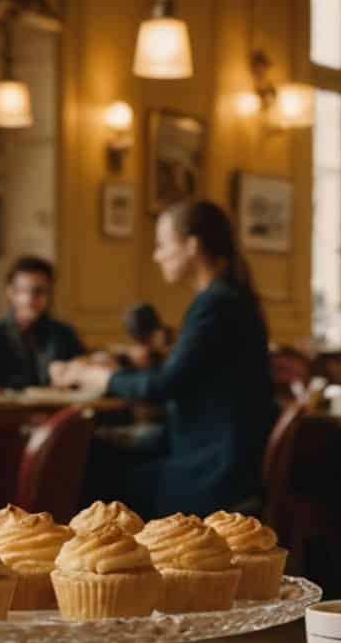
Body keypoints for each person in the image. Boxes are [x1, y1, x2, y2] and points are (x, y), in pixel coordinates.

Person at [51, 201, 274, 519]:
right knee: (96, 451)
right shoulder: (227, 297)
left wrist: (95, 377)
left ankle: (98, 562)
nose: (157, 256)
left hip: (212, 468)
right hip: (213, 451)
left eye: (162, 245)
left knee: (83, 466)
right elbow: (185, 374)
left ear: (191, 246)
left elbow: (164, 385)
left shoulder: (217, 303)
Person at [0, 256, 85, 391]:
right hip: (5, 410)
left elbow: (81, 371)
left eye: (39, 291)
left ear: (50, 293)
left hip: (55, 408)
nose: (30, 299)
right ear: (11, 292)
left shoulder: (64, 333)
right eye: (23, 291)